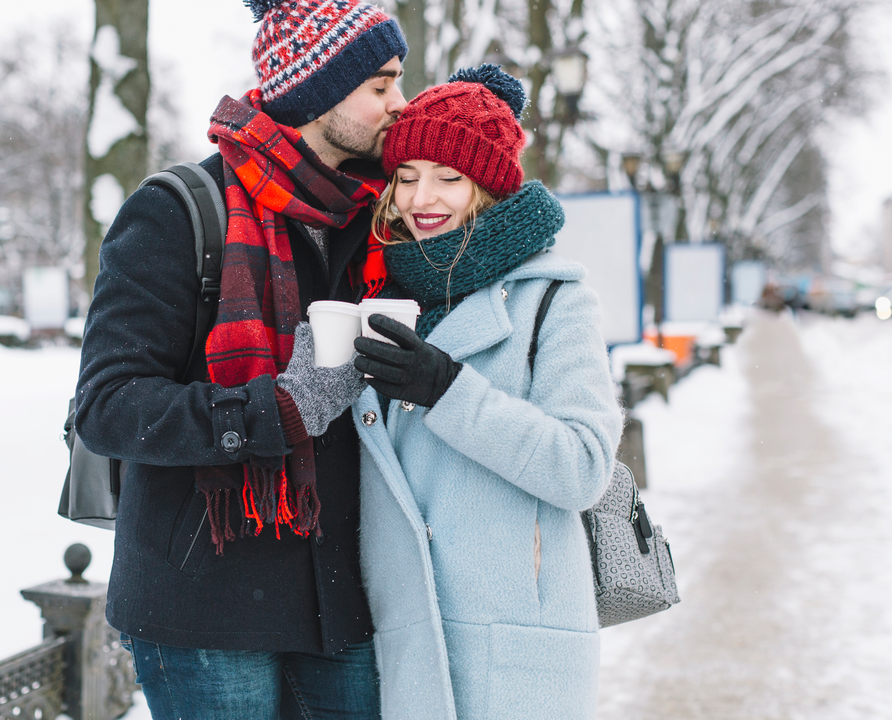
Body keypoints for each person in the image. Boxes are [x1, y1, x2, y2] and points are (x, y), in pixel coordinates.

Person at [73, 1, 407, 717]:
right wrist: (276, 410)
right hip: (204, 608)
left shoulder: (378, 219)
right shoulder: (177, 213)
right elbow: (106, 408)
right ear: (316, 92)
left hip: (345, 599)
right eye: (380, 85)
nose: (397, 104)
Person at [350, 66, 624, 720]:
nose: (424, 197)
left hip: (512, 653)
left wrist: (448, 391)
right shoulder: (381, 296)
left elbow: (583, 466)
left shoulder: (555, 299)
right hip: (395, 639)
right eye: (408, 176)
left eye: (449, 177)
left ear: (490, 186)